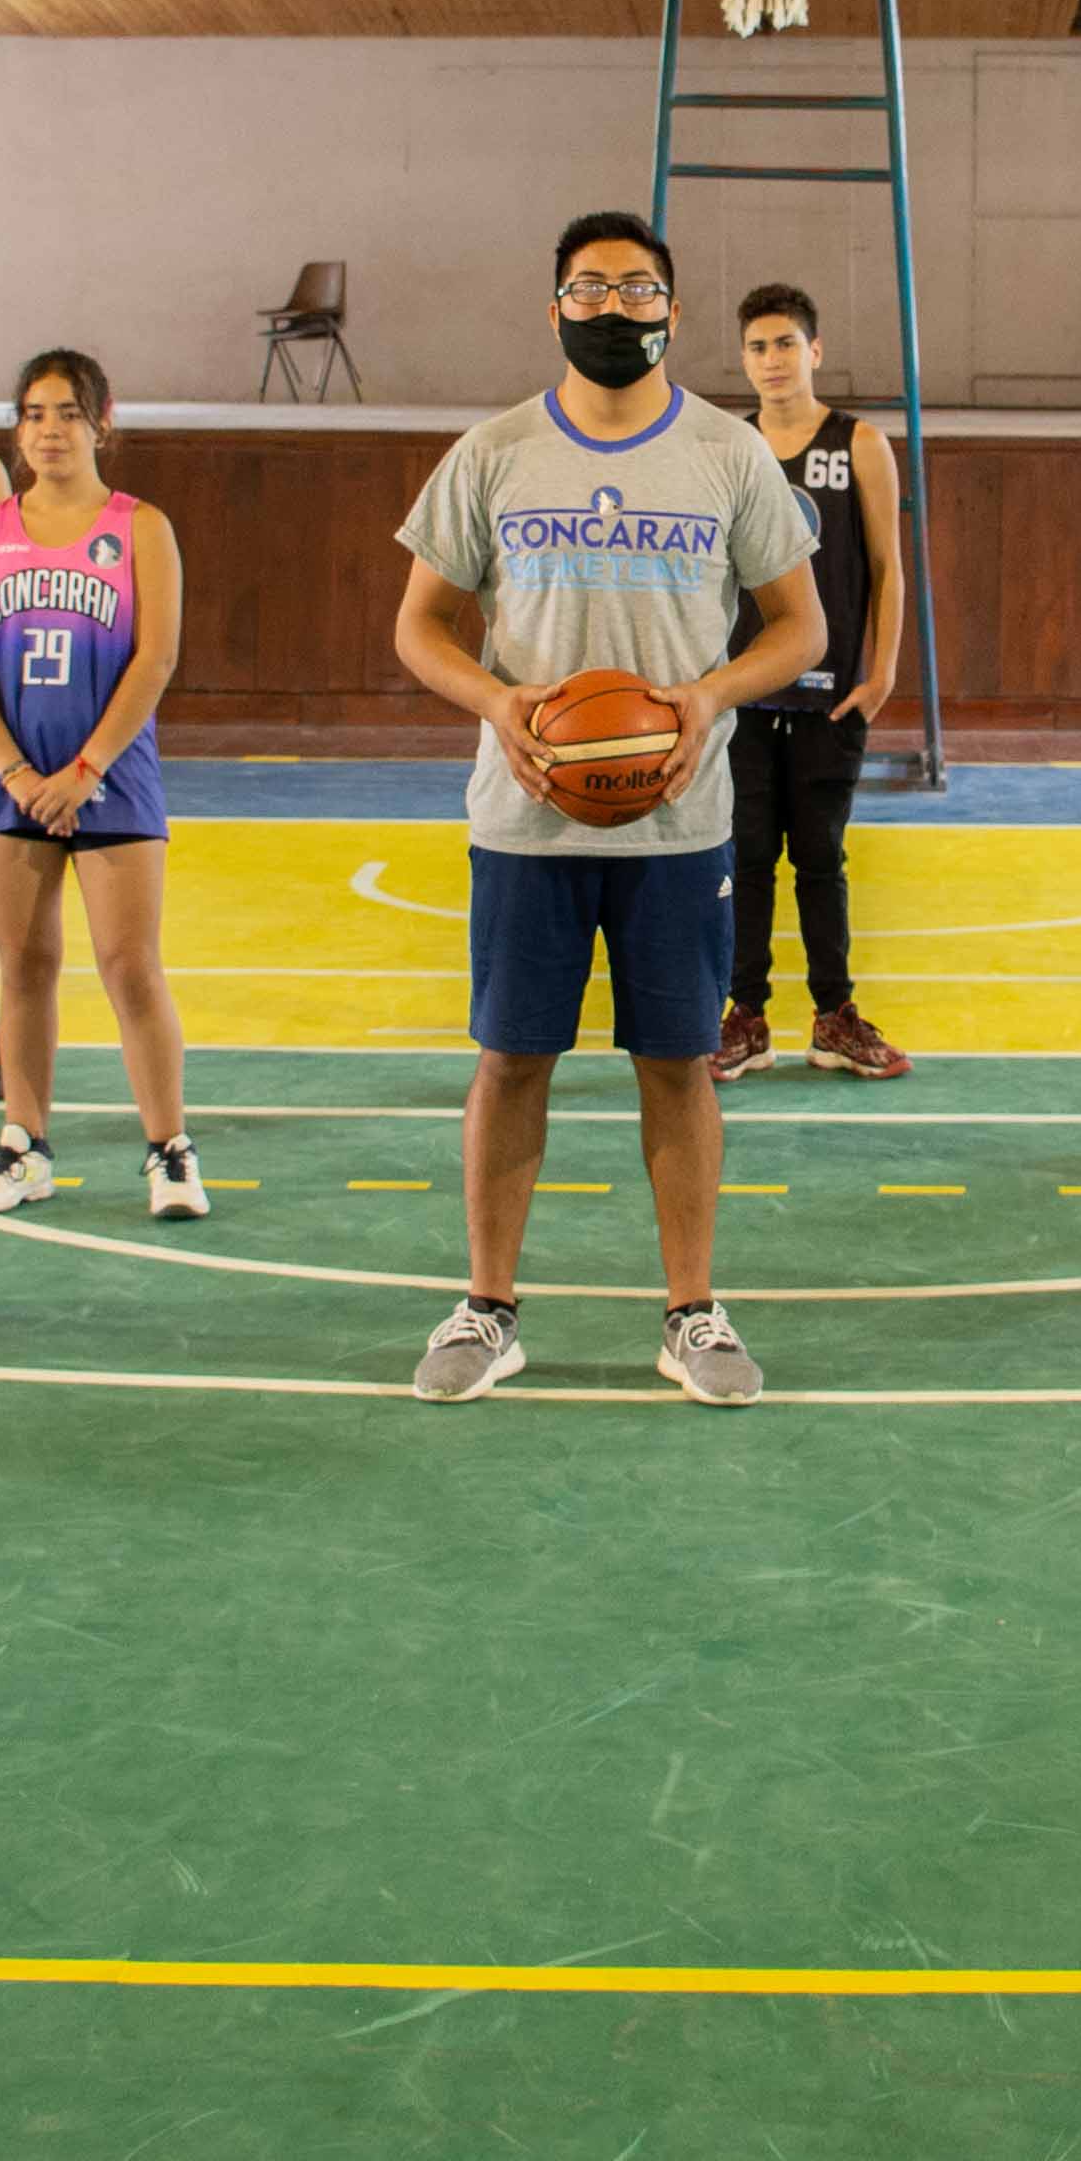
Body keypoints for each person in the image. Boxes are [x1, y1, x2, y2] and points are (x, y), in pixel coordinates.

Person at [387, 210, 824, 1406]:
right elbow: (418, 626)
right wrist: (500, 704)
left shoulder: (730, 453)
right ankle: (487, 1309)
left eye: (639, 290)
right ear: (556, 308)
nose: (615, 308)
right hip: (523, 817)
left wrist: (707, 697)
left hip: (680, 822)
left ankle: (691, 1311)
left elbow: (802, 626)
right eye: (591, 288)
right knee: (511, 1058)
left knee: (678, 1063)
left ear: (673, 313)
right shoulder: (494, 451)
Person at [0, 350, 196, 1222]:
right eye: (34, 413)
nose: (49, 429)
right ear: (17, 429)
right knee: (23, 966)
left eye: (67, 413)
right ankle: (24, 1146)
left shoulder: (139, 527)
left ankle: (169, 1150)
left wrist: (84, 768)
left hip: (111, 779)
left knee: (131, 968)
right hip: (10, 785)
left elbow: (155, 658)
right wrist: (15, 771)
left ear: (102, 422)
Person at [713, 282, 913, 1086]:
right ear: (744, 358)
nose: (772, 361)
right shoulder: (726, 446)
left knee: (821, 860)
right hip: (747, 691)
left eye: (785, 344)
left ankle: (835, 1017)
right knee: (748, 859)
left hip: (830, 694)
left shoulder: (858, 442)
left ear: (815, 351)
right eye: (758, 347)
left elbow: (888, 566)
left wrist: (884, 671)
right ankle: (746, 1018)